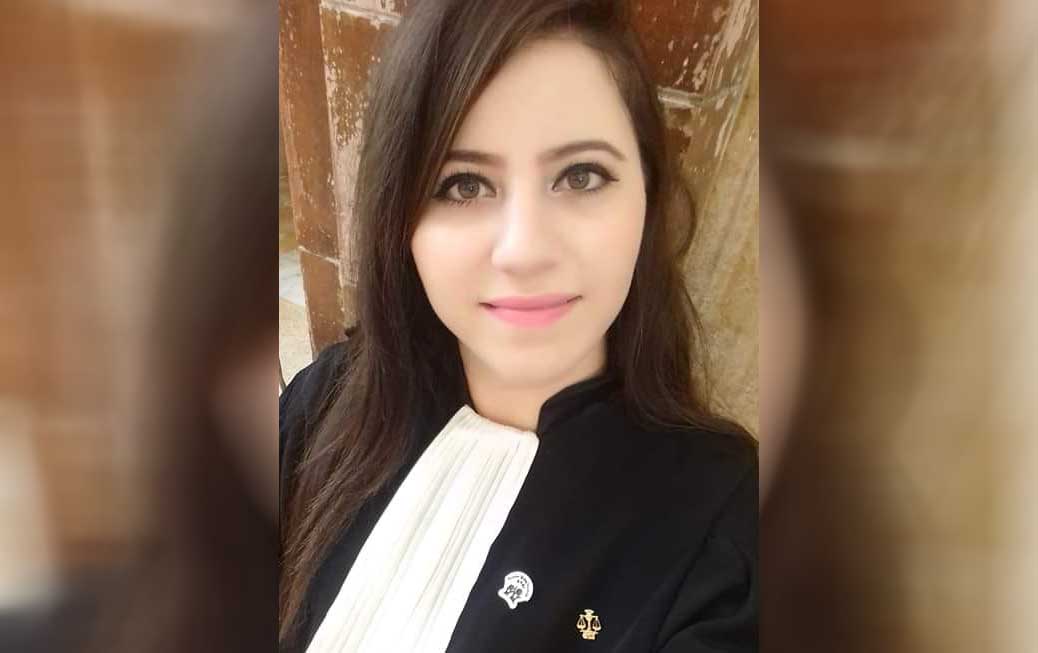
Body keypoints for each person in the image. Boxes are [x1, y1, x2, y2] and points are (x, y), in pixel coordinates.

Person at [279, 1, 758, 652]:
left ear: (649, 197)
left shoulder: (724, 529)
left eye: (581, 176)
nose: (524, 251)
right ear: (400, 220)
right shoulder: (323, 407)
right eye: (463, 185)